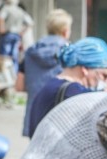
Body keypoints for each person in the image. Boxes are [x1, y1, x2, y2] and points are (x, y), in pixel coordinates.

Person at [27, 37, 107, 138]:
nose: (105, 82)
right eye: (104, 75)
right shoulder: (75, 93)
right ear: (85, 68)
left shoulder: (50, 86)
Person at [16, 8, 73, 137]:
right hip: (61, 119)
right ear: (65, 31)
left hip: (34, 117)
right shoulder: (71, 52)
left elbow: (19, 86)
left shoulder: (31, 51)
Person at [0, 0, 34, 74]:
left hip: (7, 34)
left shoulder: (6, 8)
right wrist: (22, 32)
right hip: (16, 35)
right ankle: (14, 73)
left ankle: (4, 74)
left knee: (4, 56)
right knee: (14, 56)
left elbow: (0, 18)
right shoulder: (20, 10)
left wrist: (1, 29)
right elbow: (30, 23)